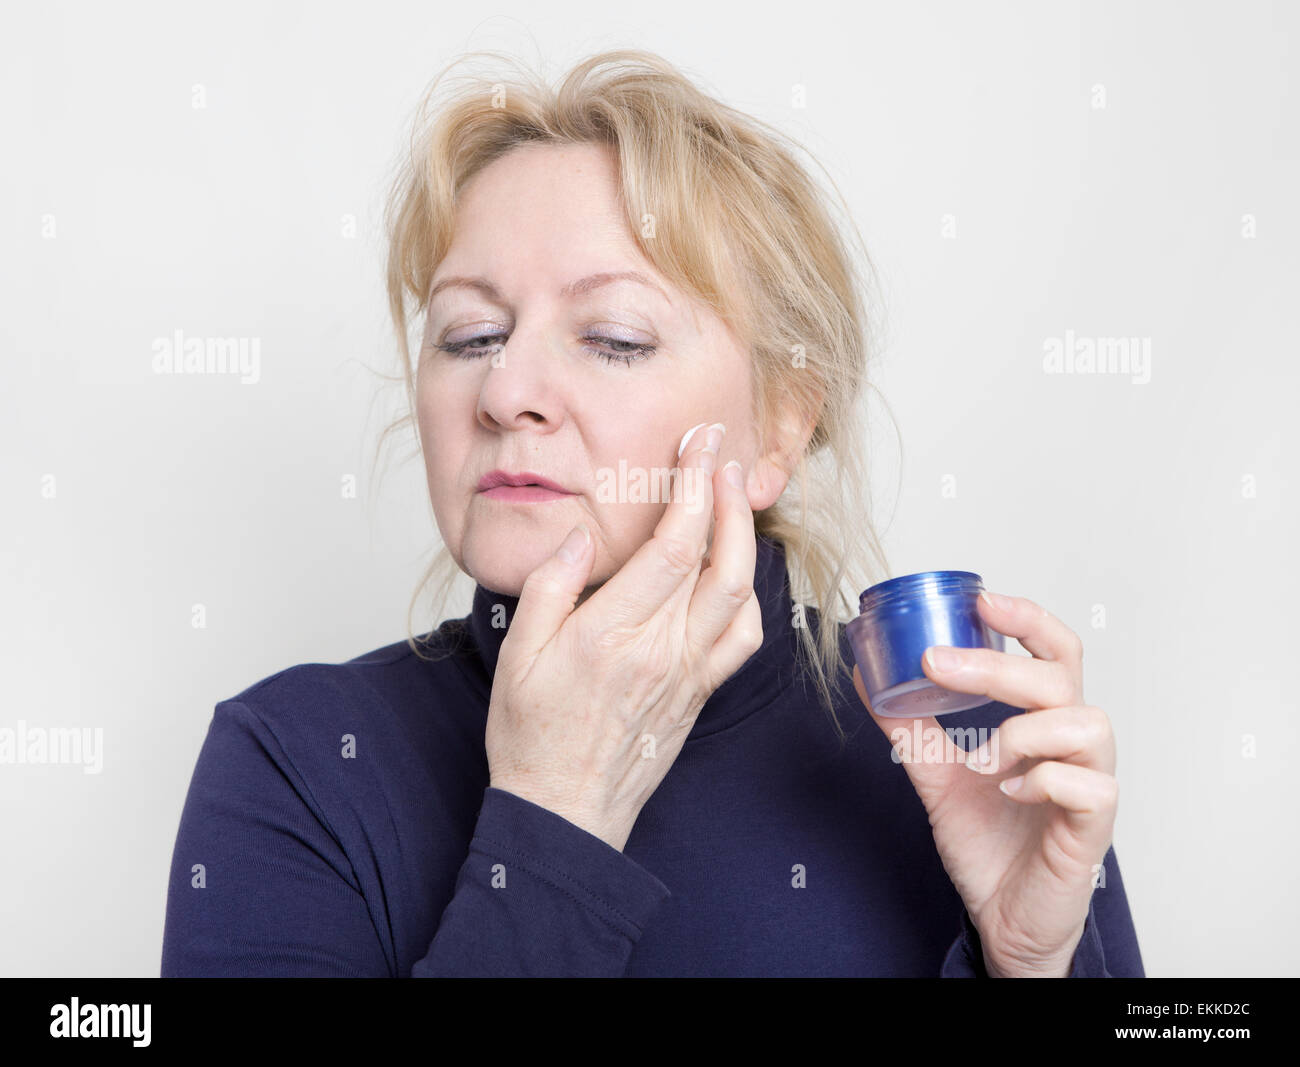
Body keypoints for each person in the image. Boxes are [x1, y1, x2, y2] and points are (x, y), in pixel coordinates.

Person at [160, 49, 1143, 978]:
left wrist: (1036, 963)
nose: (505, 390)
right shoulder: (295, 759)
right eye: (470, 333)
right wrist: (553, 823)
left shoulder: (958, 751)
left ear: (782, 426)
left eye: (614, 337)